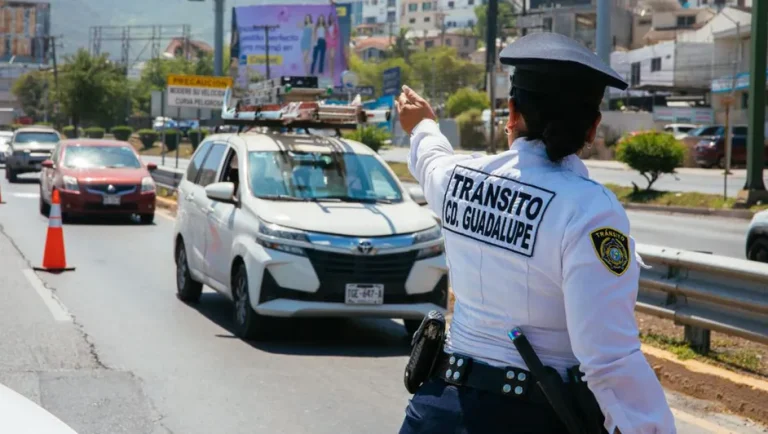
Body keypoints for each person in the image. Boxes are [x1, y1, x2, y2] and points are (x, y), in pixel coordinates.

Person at [395, 32, 676, 434]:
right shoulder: (590, 210)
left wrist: (423, 123)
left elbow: (430, 160)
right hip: (533, 417)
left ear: (512, 112)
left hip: (438, 411)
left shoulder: (459, 179)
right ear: (592, 128)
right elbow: (609, 357)